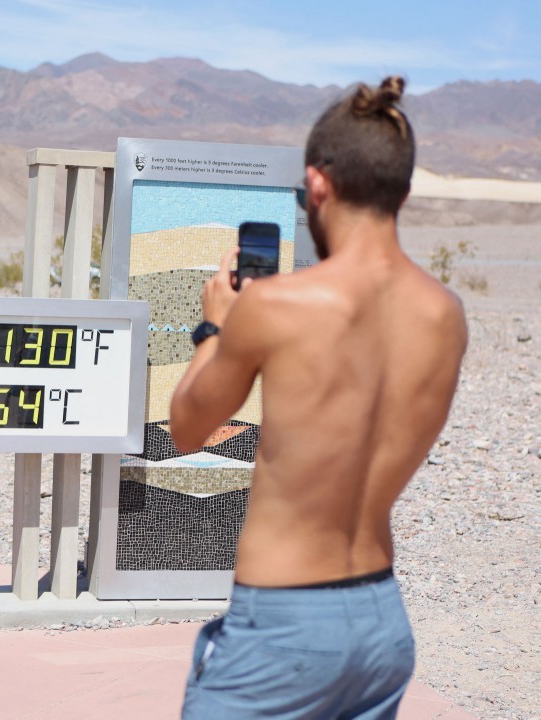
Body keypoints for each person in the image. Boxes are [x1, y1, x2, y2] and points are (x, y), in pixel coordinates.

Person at [170, 77, 468, 718]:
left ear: (318, 185)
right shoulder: (445, 314)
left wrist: (215, 325)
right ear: (402, 192)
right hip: (381, 623)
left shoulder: (278, 304)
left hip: (283, 624)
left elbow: (188, 428)